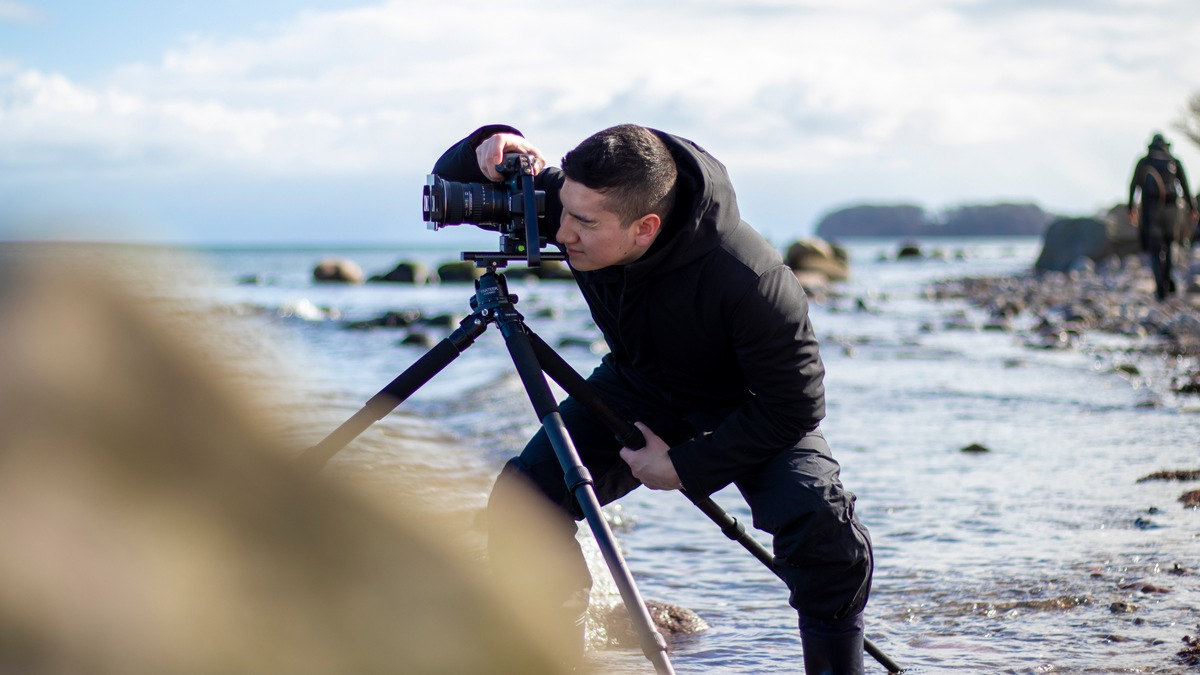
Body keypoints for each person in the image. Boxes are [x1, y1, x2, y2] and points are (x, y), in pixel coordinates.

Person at [432, 124, 874, 674]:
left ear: (646, 227)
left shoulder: (751, 279)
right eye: (561, 211)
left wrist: (683, 465)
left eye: (583, 224)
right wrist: (487, 147)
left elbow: (796, 405)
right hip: (638, 384)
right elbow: (447, 193)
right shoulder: (578, 201)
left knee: (822, 531)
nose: (559, 231)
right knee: (525, 501)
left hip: (746, 405)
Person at [1128, 132, 1199, 300]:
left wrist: (1131, 208)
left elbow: (1133, 186)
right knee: (1170, 245)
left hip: (1151, 210)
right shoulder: (1174, 161)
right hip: (1172, 209)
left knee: (1155, 249)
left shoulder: (1144, 162)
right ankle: (1169, 281)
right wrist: (1192, 208)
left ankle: (1160, 288)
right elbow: (1185, 187)